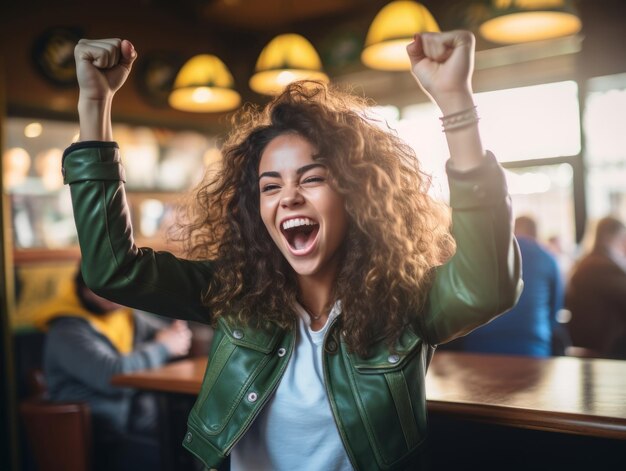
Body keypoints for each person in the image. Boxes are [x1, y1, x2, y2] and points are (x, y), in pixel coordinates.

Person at [63, 30, 521, 471]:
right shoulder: (234, 294)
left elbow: (487, 288)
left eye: (312, 178)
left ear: (356, 193)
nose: (288, 197)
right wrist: (95, 103)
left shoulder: (406, 304)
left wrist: (456, 103)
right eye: (270, 186)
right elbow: (113, 271)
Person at [34, 266, 192, 471]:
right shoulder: (67, 329)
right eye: (102, 288)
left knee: (195, 439)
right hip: (98, 436)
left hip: (137, 425)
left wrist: (176, 333)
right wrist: (163, 347)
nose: (111, 295)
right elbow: (113, 376)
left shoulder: (124, 315)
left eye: (117, 288)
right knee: (180, 451)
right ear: (82, 287)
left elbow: (168, 333)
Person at [445, 215, 567, 356]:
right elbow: (555, 310)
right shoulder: (549, 259)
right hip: (532, 348)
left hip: (478, 347)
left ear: (513, 230)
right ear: (536, 233)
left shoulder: (488, 253)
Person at [566, 216, 626, 359]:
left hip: (592, 341)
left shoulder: (587, 262)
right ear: (614, 237)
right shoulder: (601, 266)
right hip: (606, 346)